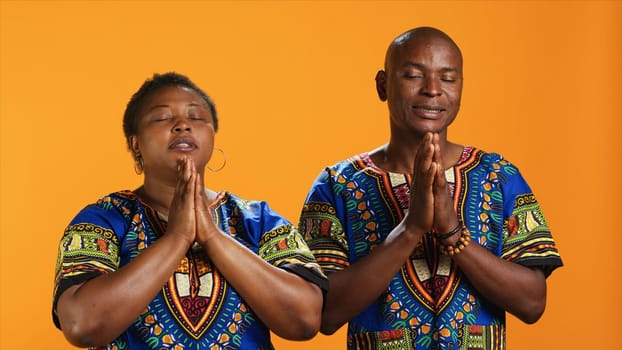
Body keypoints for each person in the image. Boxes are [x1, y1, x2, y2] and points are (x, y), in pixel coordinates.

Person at [298, 27, 563, 349]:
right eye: (413, 75)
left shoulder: (499, 176)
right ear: (383, 85)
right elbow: (325, 315)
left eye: (448, 79)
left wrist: (451, 230)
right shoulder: (338, 185)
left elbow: (532, 304)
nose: (433, 90)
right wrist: (410, 229)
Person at [52, 72, 327, 349]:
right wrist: (177, 238)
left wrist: (213, 238)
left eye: (196, 118)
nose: (183, 125)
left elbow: (305, 320)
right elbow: (81, 325)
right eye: (162, 118)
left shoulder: (259, 221)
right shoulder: (104, 219)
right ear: (135, 144)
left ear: (212, 137)